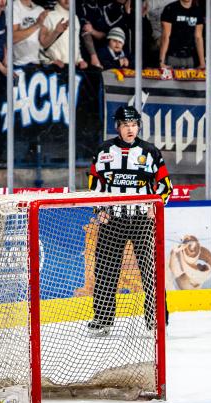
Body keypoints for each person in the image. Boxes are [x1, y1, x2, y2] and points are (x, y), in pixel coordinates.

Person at [87, 105, 173, 336]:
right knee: (105, 270)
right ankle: (102, 319)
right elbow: (95, 186)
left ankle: (156, 321)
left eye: (134, 124)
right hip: (112, 220)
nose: (130, 129)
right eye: (126, 125)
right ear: (118, 127)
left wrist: (157, 206)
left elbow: (166, 186)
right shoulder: (103, 151)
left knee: (151, 272)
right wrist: (99, 210)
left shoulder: (151, 152)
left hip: (142, 222)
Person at [12, 0, 64, 67]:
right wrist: (37, 25)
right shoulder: (13, 7)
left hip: (37, 65)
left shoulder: (40, 10)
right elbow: (12, 38)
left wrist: (56, 32)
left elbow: (43, 43)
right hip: (18, 65)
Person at [41, 0, 88, 69]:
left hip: (73, 68)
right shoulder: (48, 15)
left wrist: (79, 59)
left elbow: (76, 43)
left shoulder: (75, 17)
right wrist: (50, 62)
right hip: (54, 69)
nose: (67, 1)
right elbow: (40, 45)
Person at [159, 0, 205, 69]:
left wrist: (202, 63)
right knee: (171, 80)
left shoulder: (197, 11)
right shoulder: (170, 8)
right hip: (172, 57)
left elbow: (198, 38)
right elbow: (165, 37)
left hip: (190, 58)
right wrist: (161, 62)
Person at [0, 0, 7, 76]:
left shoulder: (3, 14)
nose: (2, 1)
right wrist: (1, 67)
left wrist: (6, 56)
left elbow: (3, 39)